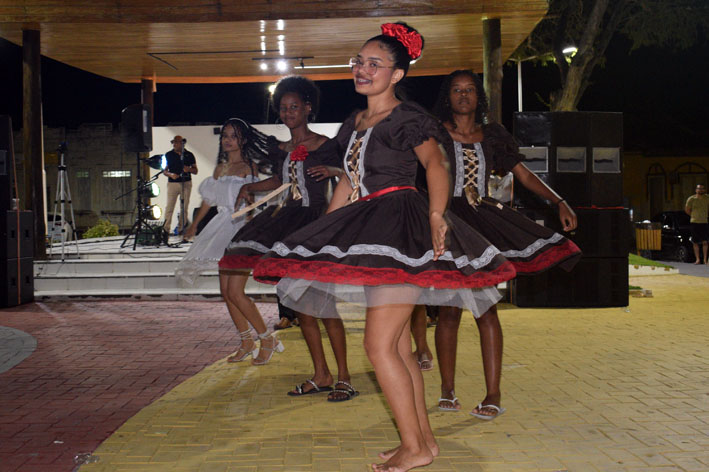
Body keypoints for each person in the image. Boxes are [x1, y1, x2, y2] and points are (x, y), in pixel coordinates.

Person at [253, 23, 517, 472]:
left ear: (396, 75)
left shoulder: (408, 117)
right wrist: (327, 235)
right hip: (369, 228)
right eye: (359, 61)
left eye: (374, 64)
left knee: (378, 347)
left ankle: (415, 447)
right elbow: (349, 181)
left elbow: (435, 165)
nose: (362, 69)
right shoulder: (354, 122)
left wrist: (437, 215)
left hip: (400, 228)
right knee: (394, 347)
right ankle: (422, 442)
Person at [409, 69, 581, 420]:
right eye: (456, 90)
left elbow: (524, 175)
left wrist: (559, 201)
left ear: (479, 96)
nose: (463, 95)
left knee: (486, 309)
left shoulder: (493, 136)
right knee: (448, 311)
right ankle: (447, 389)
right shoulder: (434, 133)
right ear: (448, 97)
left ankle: (493, 394)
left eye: (470, 90)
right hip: (447, 223)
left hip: (481, 223)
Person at [219, 77, 353, 390]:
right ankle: (321, 374)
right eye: (283, 108)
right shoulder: (281, 150)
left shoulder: (326, 144)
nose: (289, 112)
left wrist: (333, 171)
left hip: (316, 225)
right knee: (303, 307)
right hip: (288, 225)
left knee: (326, 307)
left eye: (294, 107)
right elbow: (281, 181)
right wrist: (250, 187)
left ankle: (344, 377)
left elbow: (351, 176)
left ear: (307, 108)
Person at [174, 119, 269, 285]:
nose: (228, 140)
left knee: (234, 285)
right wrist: (194, 225)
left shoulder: (249, 166)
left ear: (243, 140)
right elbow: (208, 200)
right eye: (225, 136)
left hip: (240, 223)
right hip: (221, 223)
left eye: (234, 136)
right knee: (225, 285)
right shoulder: (220, 168)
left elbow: (251, 197)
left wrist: (249, 220)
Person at [163, 135, 198, 235]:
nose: (174, 144)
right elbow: (164, 171)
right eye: (173, 142)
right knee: (169, 207)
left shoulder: (189, 155)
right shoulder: (168, 155)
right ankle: (166, 230)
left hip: (186, 183)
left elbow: (195, 170)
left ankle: (181, 229)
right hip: (172, 183)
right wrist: (171, 174)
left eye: (176, 142)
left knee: (184, 207)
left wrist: (189, 169)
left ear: (182, 143)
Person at [685, 183, 709, 264]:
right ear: (696, 190)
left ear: (704, 190)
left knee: (705, 242)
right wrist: (693, 215)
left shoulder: (707, 198)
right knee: (695, 242)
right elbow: (687, 210)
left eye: (702, 189)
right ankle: (697, 259)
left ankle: (705, 259)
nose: (700, 190)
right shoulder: (691, 199)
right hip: (694, 222)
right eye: (699, 189)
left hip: (704, 222)